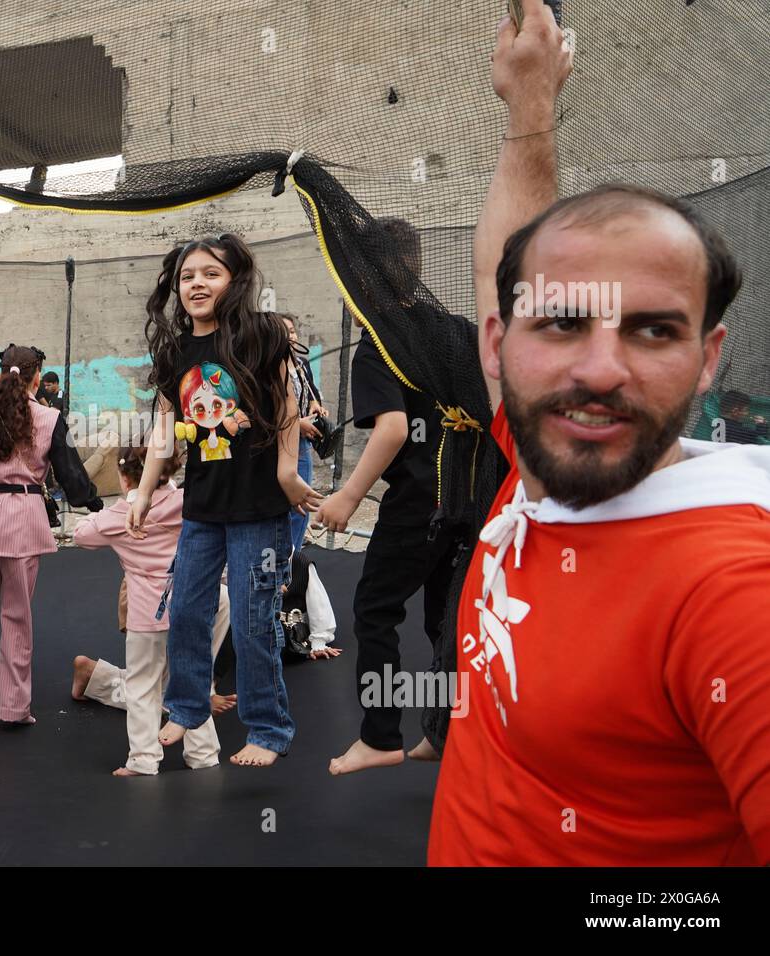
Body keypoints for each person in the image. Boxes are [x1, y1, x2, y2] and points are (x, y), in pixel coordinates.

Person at [429, 0, 770, 865]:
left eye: (653, 330)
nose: (600, 370)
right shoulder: (543, 462)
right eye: (563, 323)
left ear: (706, 357)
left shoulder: (731, 595)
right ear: (502, 347)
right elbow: (501, 264)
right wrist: (529, 109)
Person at [128, 234, 322, 768]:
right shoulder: (174, 351)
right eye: (188, 275)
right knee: (187, 608)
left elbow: (287, 401)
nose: (197, 284)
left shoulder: (259, 335)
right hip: (204, 509)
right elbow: (164, 428)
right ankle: (188, 706)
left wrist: (287, 470)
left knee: (254, 617)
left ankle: (268, 728)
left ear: (234, 281)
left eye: (210, 273)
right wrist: (143, 491)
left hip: (259, 509)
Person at [317, 218, 474, 775]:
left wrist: (346, 497)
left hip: (417, 505)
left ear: (362, 274)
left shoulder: (380, 342)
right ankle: (444, 732)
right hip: (469, 501)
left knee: (375, 611)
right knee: (445, 621)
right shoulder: (454, 330)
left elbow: (391, 429)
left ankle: (380, 735)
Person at [0, 344, 103, 724]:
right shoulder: (50, 418)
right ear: (37, 375)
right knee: (17, 617)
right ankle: (12, 708)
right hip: (22, 518)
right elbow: (71, 475)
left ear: (2, 371)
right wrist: (95, 503)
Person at [72, 444, 226, 775]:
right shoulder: (186, 503)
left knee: (143, 686)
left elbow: (81, 534)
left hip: (147, 614)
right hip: (194, 604)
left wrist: (116, 509)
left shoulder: (120, 517)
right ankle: (204, 754)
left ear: (125, 479)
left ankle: (144, 760)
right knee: (194, 676)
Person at [280, 314, 327, 552]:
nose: (290, 336)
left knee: (302, 504)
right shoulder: (266, 367)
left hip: (302, 444)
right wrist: (297, 423)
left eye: (292, 331)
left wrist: (315, 406)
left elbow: (312, 393)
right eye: (284, 331)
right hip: (280, 443)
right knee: (284, 504)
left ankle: (293, 557)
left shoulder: (301, 363)